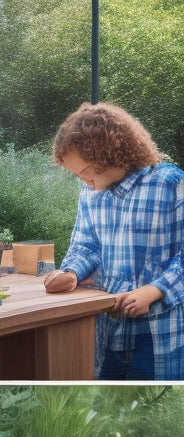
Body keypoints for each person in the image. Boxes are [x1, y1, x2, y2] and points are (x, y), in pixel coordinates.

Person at [45, 102, 184, 380]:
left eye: (84, 170)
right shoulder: (90, 193)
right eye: (76, 175)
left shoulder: (169, 183)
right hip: (106, 333)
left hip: (157, 336)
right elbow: (86, 245)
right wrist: (72, 272)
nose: (83, 180)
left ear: (107, 153)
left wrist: (155, 291)